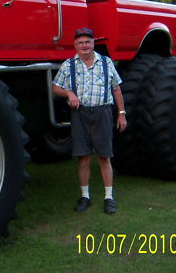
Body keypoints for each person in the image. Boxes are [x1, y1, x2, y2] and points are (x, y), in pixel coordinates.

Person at [52, 27, 127, 214]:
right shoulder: (69, 64)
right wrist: (68, 92)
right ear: (75, 45)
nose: (84, 46)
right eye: (80, 42)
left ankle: (108, 198)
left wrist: (121, 113)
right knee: (83, 157)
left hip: (102, 113)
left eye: (87, 42)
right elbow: (55, 88)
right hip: (80, 115)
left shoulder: (106, 63)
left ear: (93, 43)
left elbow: (116, 89)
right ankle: (85, 196)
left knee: (104, 156)